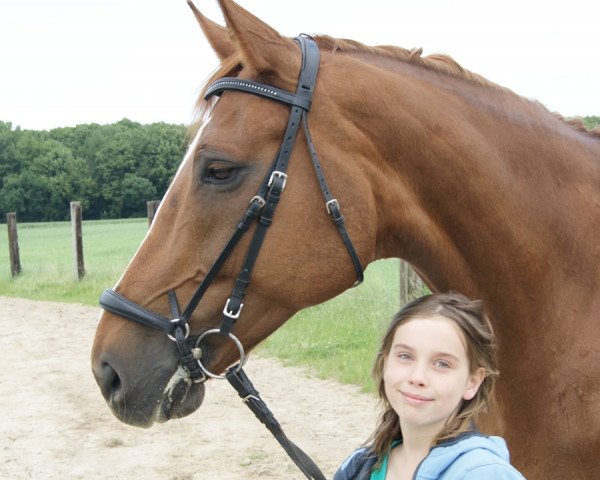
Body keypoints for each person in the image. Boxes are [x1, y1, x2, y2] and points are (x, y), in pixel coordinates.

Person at [333, 292, 526, 480]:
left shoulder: (485, 474)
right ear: (385, 363)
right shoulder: (358, 466)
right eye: (405, 356)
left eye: (442, 363)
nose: (417, 377)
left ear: (472, 382)